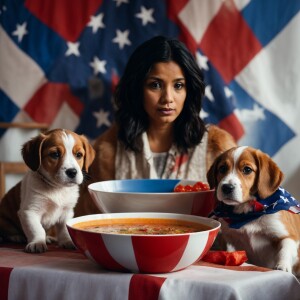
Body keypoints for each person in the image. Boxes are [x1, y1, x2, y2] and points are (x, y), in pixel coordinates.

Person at [74, 35, 236, 216]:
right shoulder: (106, 152)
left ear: (189, 90)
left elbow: (237, 220)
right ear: (137, 88)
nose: (168, 98)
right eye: (155, 85)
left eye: (178, 85)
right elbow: (88, 222)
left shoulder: (218, 150)